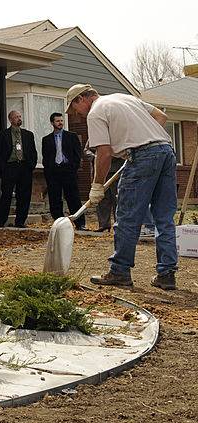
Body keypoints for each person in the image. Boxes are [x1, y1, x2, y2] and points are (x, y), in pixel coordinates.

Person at [67, 83, 177, 290]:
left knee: (127, 217)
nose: (77, 115)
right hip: (166, 151)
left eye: (75, 109)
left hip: (142, 156)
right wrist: (146, 141)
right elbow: (161, 117)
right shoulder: (124, 97)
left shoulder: (95, 112)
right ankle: (167, 274)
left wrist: (97, 185)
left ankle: (120, 271)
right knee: (164, 217)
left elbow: (104, 153)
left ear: (81, 99)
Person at [0, 110, 38, 228]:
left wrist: (31, 165)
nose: (19, 118)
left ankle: (20, 221)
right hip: (10, 167)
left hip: (24, 167)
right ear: (10, 119)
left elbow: (33, 152)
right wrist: (3, 167)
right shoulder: (2, 135)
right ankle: (0, 220)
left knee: (24, 195)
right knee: (6, 194)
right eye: (16, 117)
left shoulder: (28, 135)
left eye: (20, 116)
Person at [41, 112, 84, 229]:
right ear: (52, 123)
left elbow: (77, 154)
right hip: (54, 171)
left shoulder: (71, 136)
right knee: (55, 198)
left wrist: (73, 167)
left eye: (61, 121)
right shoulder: (46, 139)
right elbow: (46, 157)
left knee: (73, 197)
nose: (60, 123)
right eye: (57, 121)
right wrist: (48, 170)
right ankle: (59, 223)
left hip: (68, 170)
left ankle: (80, 223)